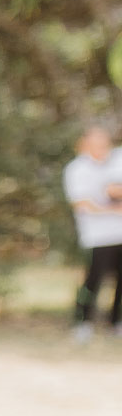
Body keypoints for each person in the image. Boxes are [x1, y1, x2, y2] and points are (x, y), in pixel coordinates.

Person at [64, 121, 122, 341]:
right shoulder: (76, 168)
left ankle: (115, 322)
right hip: (97, 236)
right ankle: (82, 322)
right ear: (84, 143)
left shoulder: (118, 159)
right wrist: (114, 209)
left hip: (120, 233)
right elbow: (81, 203)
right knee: (93, 281)